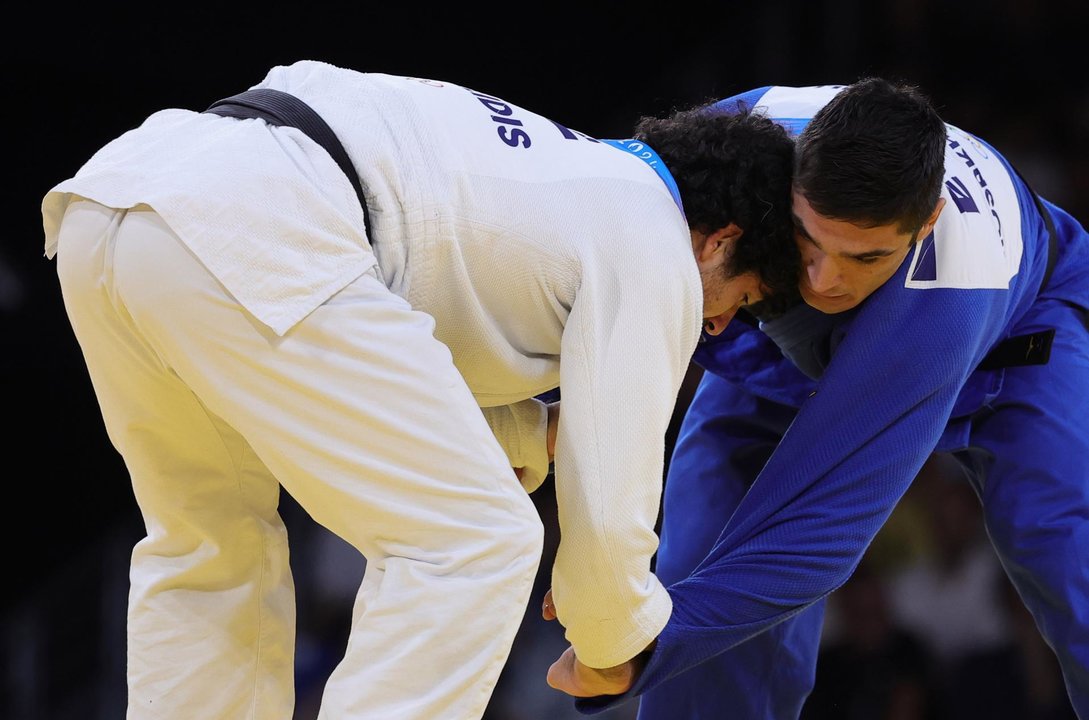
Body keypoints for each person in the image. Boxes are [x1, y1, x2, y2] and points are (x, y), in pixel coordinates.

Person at [40, 59, 800, 719]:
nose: (717, 325)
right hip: (257, 226)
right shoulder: (657, 241)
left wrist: (530, 436)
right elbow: (611, 507)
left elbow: (380, 372)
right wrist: (617, 639)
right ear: (720, 241)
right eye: (739, 299)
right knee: (475, 542)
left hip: (123, 200)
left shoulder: (566, 179)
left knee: (211, 549)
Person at [546, 78, 1089, 719]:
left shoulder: (943, 297)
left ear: (926, 221)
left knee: (1065, 549)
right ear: (792, 176)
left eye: (865, 255)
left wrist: (640, 649)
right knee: (703, 566)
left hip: (1022, 340)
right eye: (809, 237)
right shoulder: (738, 138)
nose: (826, 278)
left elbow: (817, 532)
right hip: (785, 343)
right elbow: (585, 243)